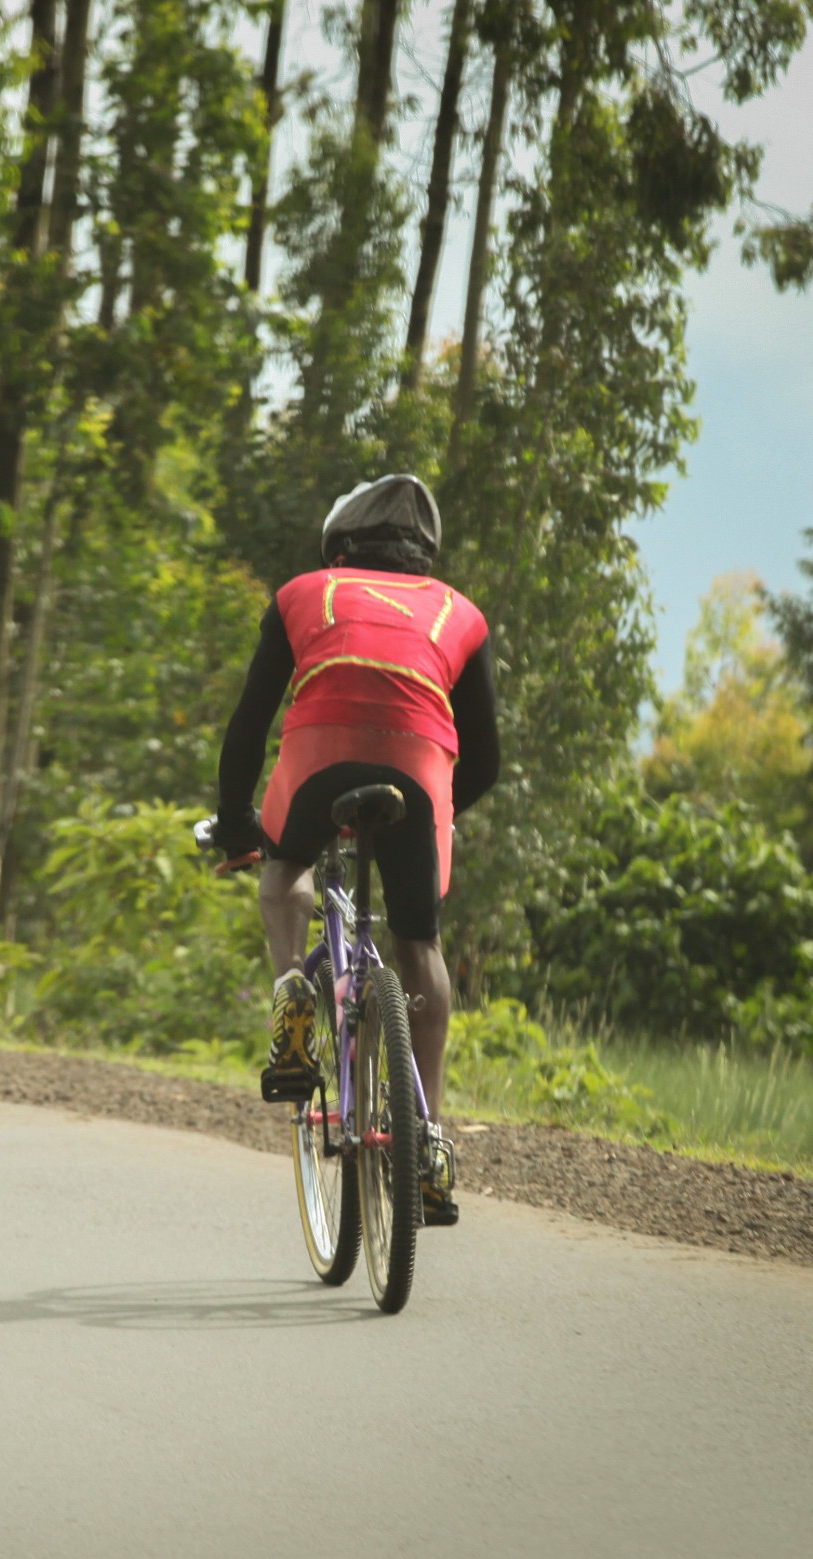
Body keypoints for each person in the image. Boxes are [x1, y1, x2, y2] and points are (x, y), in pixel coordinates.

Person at [212, 474, 499, 1226]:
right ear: (424, 556)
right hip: (419, 768)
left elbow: (249, 725)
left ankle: (294, 1002)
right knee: (419, 947)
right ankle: (429, 1141)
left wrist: (238, 826)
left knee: (283, 873)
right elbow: (489, 757)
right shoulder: (461, 613)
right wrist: (438, 813)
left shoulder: (306, 593)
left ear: (340, 546)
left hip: (319, 758)